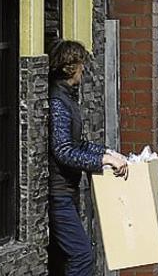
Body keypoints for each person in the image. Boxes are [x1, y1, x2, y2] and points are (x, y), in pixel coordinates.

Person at [48, 40, 129, 276]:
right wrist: (103, 160)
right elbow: (63, 151)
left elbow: (77, 144)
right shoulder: (58, 103)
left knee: (66, 257)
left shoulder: (67, 98)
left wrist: (107, 153)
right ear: (70, 66)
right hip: (59, 194)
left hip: (66, 191)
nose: (84, 70)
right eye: (81, 64)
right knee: (82, 255)